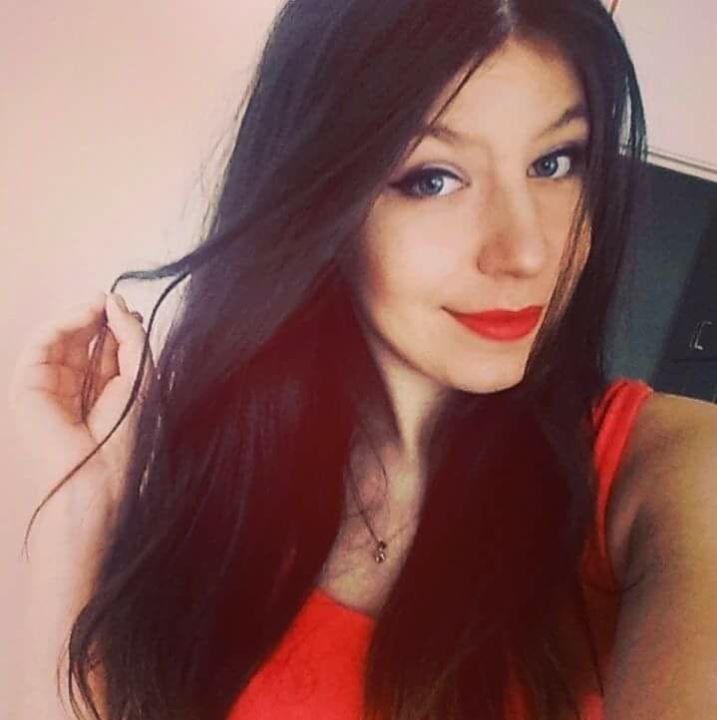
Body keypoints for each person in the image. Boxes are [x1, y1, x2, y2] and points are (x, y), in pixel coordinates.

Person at [8, 0, 717, 718]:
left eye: (554, 162)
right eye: (433, 178)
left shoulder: (669, 476)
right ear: (316, 197)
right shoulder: (222, 471)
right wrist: (81, 506)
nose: (526, 252)